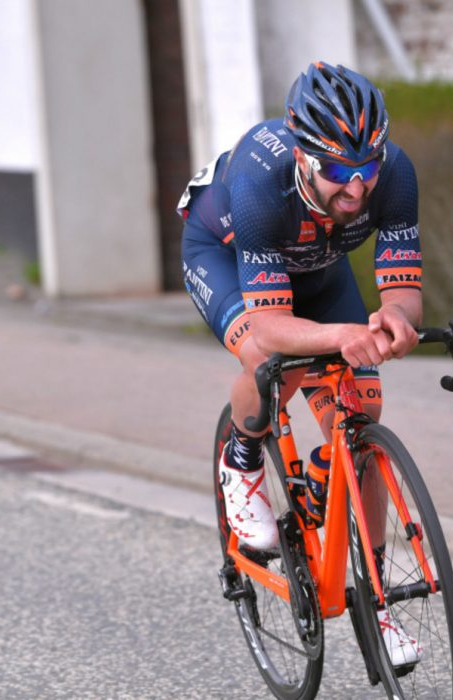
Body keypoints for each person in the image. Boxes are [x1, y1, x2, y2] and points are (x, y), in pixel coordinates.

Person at [177, 62, 423, 666]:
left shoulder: (395, 175)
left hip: (317, 266)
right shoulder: (264, 181)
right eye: (338, 171)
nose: (357, 189)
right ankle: (241, 459)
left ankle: (376, 599)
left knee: (362, 407)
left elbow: (403, 289)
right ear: (302, 152)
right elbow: (268, 324)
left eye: (366, 169)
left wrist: (395, 319)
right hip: (226, 256)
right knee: (268, 358)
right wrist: (344, 333)